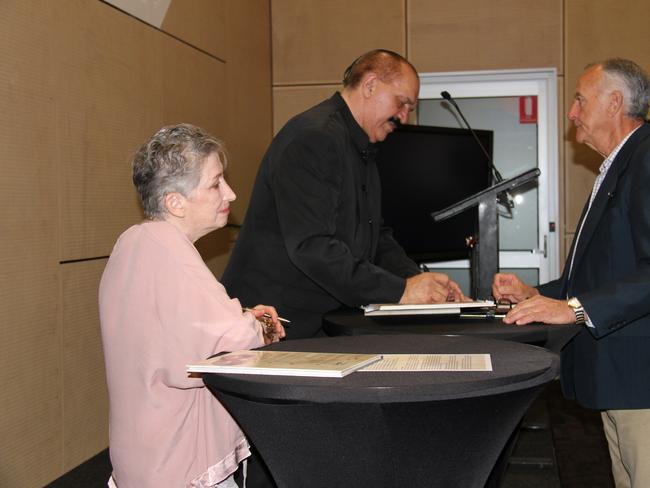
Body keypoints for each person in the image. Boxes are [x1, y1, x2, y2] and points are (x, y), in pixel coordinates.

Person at [222, 49, 463, 338]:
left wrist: (419, 281)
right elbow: (312, 247)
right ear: (370, 85)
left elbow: (376, 236)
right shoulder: (314, 137)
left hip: (316, 322)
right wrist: (402, 291)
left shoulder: (361, 148)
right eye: (402, 104)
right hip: (275, 325)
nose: (404, 117)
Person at [99, 124, 285, 488]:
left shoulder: (135, 243)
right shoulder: (167, 251)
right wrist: (260, 324)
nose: (229, 192)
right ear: (175, 202)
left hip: (145, 449)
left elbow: (178, 334)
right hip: (177, 462)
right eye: (215, 183)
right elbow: (223, 345)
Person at [492, 58, 650, 487]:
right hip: (623, 384)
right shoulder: (622, 163)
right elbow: (597, 273)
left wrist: (576, 309)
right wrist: (532, 294)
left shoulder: (646, 158)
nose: (572, 112)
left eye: (581, 99)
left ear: (615, 103)